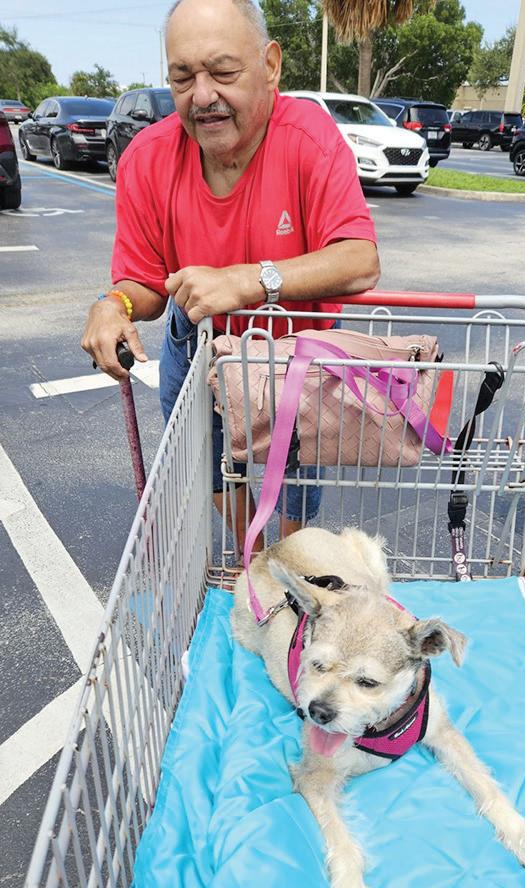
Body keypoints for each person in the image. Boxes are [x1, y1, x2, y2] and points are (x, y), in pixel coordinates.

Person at [81, 0, 380, 554]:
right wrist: (112, 305)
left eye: (222, 72)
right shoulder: (147, 158)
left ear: (270, 65)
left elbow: (359, 259)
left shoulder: (309, 137)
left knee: (296, 483)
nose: (202, 96)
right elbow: (143, 282)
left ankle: (291, 561)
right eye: (182, 77)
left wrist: (249, 280)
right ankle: (260, 561)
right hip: (197, 345)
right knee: (210, 465)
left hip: (295, 353)